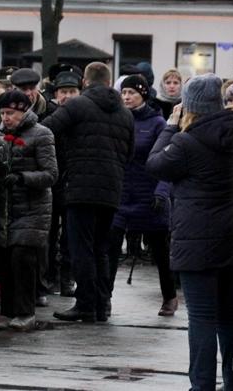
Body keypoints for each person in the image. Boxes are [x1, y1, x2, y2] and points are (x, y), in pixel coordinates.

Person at [146, 73, 233, 391]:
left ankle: (201, 385)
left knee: (202, 317)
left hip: (197, 242)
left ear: (188, 106)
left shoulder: (186, 142)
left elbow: (155, 165)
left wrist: (171, 126)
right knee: (231, 316)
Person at [43, 62, 134, 323]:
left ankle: (84, 304)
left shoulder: (77, 105)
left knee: (81, 248)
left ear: (84, 81)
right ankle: (102, 305)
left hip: (80, 188)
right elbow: (131, 152)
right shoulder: (126, 114)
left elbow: (47, 129)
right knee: (101, 248)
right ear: (109, 82)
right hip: (111, 189)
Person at [107, 75, 177, 316]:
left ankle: (169, 296)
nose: (126, 97)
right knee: (111, 248)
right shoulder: (117, 119)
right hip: (122, 193)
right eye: (123, 93)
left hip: (149, 194)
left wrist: (161, 192)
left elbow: (166, 160)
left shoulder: (157, 123)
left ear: (143, 95)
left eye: (132, 93)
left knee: (160, 251)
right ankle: (104, 298)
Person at [0, 90, 57, 331]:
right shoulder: (1, 134)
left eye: (11, 113)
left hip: (32, 208)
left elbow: (50, 174)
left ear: (24, 111)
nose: (6, 117)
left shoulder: (41, 134)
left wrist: (21, 178)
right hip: (6, 208)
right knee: (5, 260)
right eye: (3, 113)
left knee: (22, 259)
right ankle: (8, 311)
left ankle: (26, 311)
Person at [44, 69, 83, 298]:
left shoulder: (83, 115)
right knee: (48, 233)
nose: (67, 96)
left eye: (72, 91)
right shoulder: (50, 116)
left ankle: (67, 277)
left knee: (70, 235)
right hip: (51, 181)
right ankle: (49, 275)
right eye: (63, 92)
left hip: (73, 181)